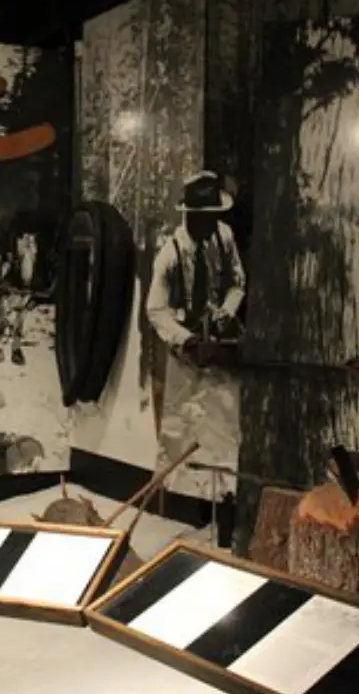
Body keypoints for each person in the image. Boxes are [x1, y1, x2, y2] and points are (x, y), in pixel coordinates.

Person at [145, 170, 246, 498]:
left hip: (217, 346)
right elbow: (155, 309)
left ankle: (221, 498)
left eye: (213, 217)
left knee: (223, 424)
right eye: (202, 218)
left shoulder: (225, 237)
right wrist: (186, 339)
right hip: (183, 352)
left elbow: (237, 282)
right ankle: (174, 501)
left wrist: (227, 312)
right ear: (188, 214)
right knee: (178, 427)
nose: (208, 225)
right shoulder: (170, 252)